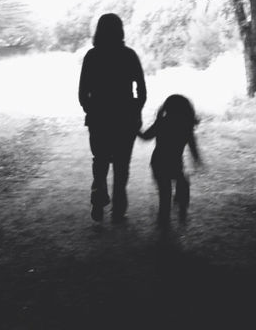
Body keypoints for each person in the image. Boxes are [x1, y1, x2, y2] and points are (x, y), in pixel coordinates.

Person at [78, 13, 147, 222]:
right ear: (120, 30)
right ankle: (118, 211)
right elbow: (142, 90)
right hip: (125, 119)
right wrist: (135, 110)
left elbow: (83, 92)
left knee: (100, 163)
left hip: (99, 118)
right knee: (121, 165)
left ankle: (98, 201)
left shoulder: (92, 56)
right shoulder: (129, 55)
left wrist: (91, 110)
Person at [138, 94, 202, 224]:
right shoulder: (186, 126)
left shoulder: (162, 123)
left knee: (164, 193)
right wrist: (197, 160)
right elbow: (192, 147)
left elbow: (145, 137)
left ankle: (164, 220)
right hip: (176, 163)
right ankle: (182, 209)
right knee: (183, 183)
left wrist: (135, 128)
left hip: (158, 163)